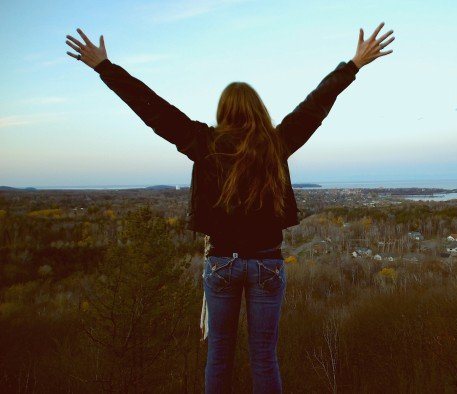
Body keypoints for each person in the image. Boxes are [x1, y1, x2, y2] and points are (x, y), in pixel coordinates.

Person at [66, 22, 394, 393]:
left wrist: (104, 68)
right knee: (264, 357)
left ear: (223, 111)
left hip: (221, 263)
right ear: (258, 109)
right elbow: (315, 106)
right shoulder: (277, 142)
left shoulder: (203, 142)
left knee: (219, 354)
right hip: (268, 264)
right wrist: (353, 65)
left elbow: (152, 109)